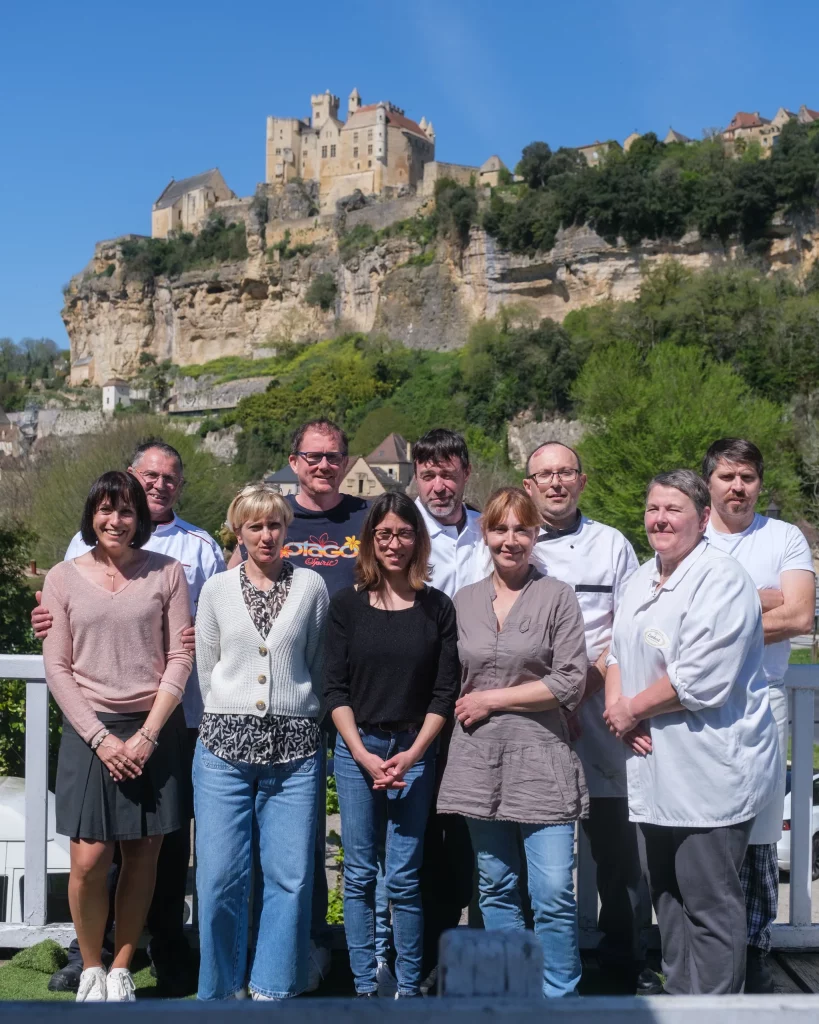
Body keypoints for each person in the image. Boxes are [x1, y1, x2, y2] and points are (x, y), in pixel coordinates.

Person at [34, 439, 225, 996]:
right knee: (92, 858)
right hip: (92, 729)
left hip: (162, 724)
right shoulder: (66, 569)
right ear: (94, 512)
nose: (116, 518)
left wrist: (147, 733)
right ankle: (89, 960)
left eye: (126, 510)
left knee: (151, 852)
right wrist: (100, 738)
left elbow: (188, 645)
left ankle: (134, 961)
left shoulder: (183, 561)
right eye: (107, 507)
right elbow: (58, 660)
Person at [604, 469, 779, 995]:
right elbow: (616, 651)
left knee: (710, 902)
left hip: (709, 770)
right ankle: (681, 1001)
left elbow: (700, 679)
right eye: (653, 508)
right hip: (653, 768)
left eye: (673, 509)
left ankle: (717, 1011)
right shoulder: (640, 575)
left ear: (703, 518)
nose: (660, 519)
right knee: (668, 899)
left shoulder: (721, 579)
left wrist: (632, 708)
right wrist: (617, 706)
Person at [229, 419, 370, 989]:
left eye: (333, 456)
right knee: (295, 831)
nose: (323, 466)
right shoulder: (271, 517)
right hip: (291, 695)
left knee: (366, 832)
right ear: (293, 461)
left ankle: (368, 953)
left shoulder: (367, 515)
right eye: (312, 457)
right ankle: (296, 945)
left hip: (361, 691)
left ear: (345, 460)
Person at [437, 486, 588, 999]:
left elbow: (571, 679)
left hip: (541, 759)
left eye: (521, 529)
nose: (510, 540)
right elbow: (449, 681)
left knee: (551, 893)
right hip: (478, 760)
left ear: (535, 534)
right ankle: (514, 993)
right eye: (500, 529)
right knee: (496, 886)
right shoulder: (464, 602)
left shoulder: (557, 596)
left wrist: (494, 700)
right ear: (486, 534)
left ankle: (560, 995)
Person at [523, 442, 656, 994]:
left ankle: (623, 961)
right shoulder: (514, 540)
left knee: (619, 856)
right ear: (528, 484)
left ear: (581, 480)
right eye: (544, 475)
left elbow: (625, 629)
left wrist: (579, 691)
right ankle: (537, 964)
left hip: (603, 717)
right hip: (532, 718)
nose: (555, 483)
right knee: (534, 853)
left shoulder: (612, 545)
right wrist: (547, 697)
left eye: (565, 473)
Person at [193, 484, 329, 1000]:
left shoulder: (311, 587)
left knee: (291, 879)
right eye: (255, 527)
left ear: (285, 528)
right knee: (219, 877)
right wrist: (232, 713)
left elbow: (313, 665)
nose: (266, 535)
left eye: (274, 525)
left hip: (295, 753)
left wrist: (291, 712)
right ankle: (222, 992)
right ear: (239, 532)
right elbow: (209, 671)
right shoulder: (216, 590)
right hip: (223, 751)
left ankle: (272, 989)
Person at [323, 492, 460, 998]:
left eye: (404, 534)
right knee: (358, 873)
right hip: (357, 751)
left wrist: (414, 752)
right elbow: (334, 689)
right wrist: (361, 752)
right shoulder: (346, 606)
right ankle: (364, 984)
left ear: (418, 540)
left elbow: (445, 693)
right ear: (370, 541)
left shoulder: (436, 607)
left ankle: (405, 986)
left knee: (403, 877)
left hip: (414, 753)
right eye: (384, 534)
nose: (394, 543)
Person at [702, 438, 816, 992]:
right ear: (709, 484)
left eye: (747, 476)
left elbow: (799, 616)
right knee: (701, 829)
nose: (737, 486)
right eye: (726, 476)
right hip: (693, 704)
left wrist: (713, 623)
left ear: (759, 483)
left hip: (762, 700)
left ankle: (754, 950)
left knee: (759, 836)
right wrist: (758, 599)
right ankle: (708, 952)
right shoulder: (689, 535)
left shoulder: (783, 537)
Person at [412, 428, 491, 985]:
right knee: (420, 832)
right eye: (428, 474)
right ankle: (421, 956)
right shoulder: (400, 531)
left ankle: (472, 952)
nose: (440, 485)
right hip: (417, 703)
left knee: (473, 829)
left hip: (482, 701)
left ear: (466, 473)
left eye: (449, 473)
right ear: (416, 477)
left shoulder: (492, 530)